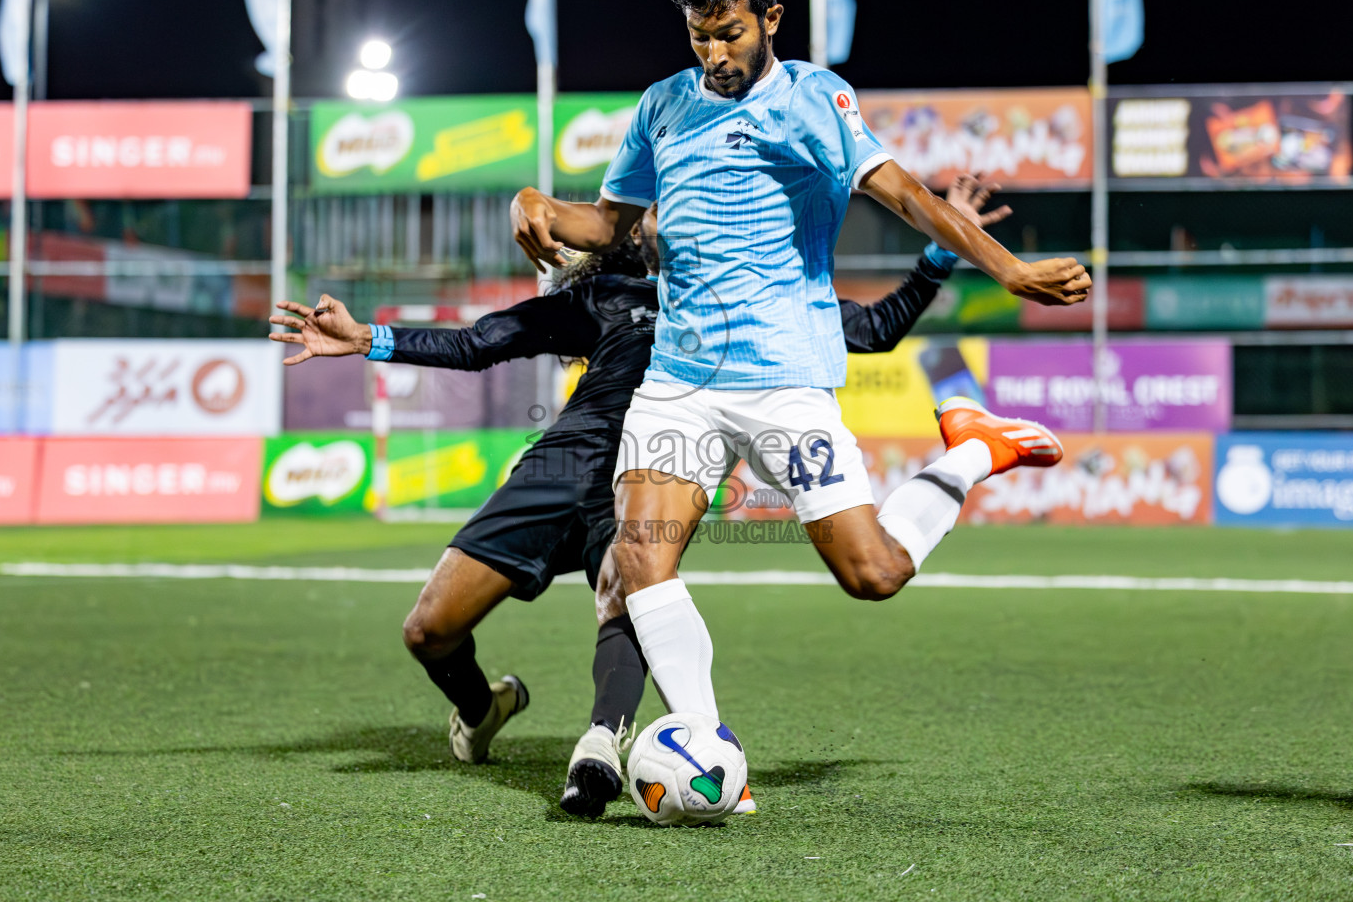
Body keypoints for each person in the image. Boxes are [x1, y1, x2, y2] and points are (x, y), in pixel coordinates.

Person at [508, 0, 1091, 743]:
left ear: (771, 16)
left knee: (874, 573)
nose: (713, 53)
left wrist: (1009, 270)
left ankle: (974, 449)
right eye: (698, 34)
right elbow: (605, 227)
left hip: (784, 378)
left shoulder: (814, 99)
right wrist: (533, 201)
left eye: (730, 33)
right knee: (639, 562)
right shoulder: (662, 106)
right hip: (677, 385)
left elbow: (911, 198)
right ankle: (702, 747)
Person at [269, 180, 1008, 818]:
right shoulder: (605, 294)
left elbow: (875, 328)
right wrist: (368, 337)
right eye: (654, 205)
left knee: (630, 585)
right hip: (561, 468)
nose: (665, 212)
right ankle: (481, 708)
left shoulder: (753, 303)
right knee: (427, 631)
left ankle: (601, 742)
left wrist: (942, 252)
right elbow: (482, 341)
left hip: (657, 469)